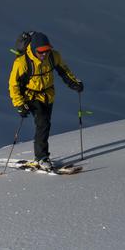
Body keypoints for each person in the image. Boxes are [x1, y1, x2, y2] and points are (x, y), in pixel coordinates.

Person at [8, 32, 84, 170]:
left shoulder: (53, 56)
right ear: (33, 49)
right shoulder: (22, 63)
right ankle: (42, 158)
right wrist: (19, 104)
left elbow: (64, 71)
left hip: (48, 95)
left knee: (45, 124)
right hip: (30, 96)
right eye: (41, 52)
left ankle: (40, 156)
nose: (44, 54)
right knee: (42, 123)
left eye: (47, 51)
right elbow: (14, 85)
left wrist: (74, 83)